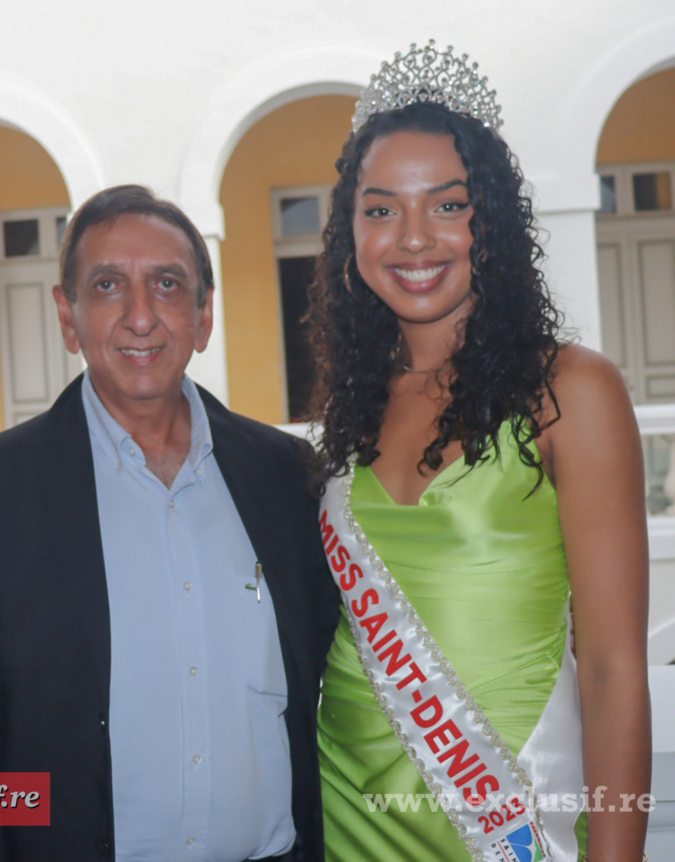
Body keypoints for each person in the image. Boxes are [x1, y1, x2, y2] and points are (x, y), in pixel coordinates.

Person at [0, 185, 339, 862]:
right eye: (108, 285)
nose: (140, 317)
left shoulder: (288, 478)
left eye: (167, 285)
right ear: (68, 316)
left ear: (204, 315)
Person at [309, 42, 651, 862]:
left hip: (508, 825)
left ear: (490, 222)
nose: (413, 239)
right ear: (351, 232)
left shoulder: (570, 391)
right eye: (381, 210)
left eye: (449, 206)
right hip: (345, 811)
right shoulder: (351, 404)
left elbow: (612, 668)